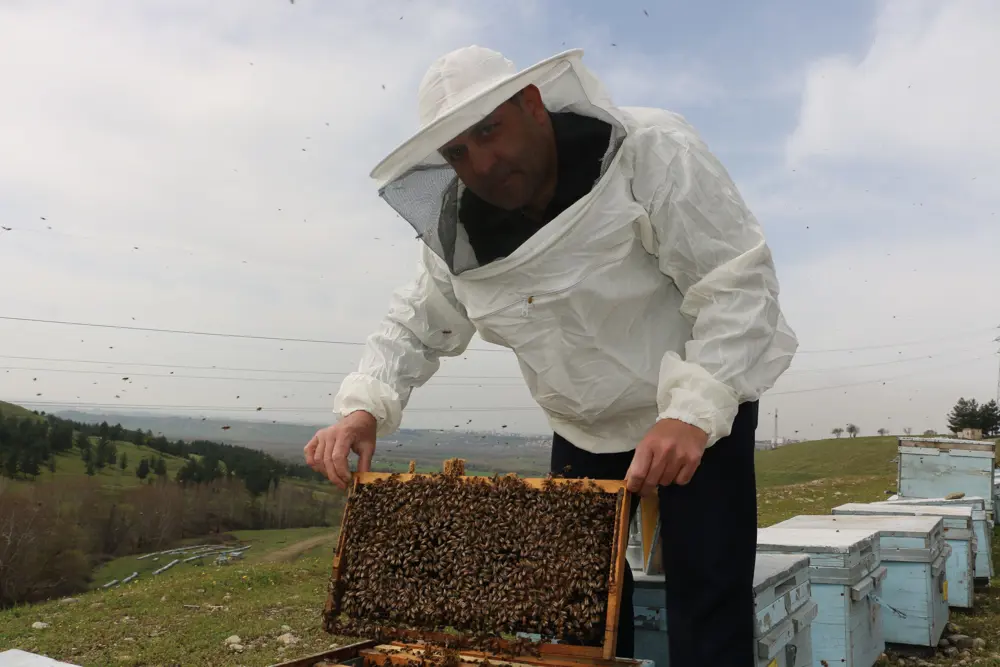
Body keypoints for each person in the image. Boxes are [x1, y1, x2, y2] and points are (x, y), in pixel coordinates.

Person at [305, 45, 798, 666]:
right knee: (575, 616)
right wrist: (365, 407)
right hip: (583, 427)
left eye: (489, 131)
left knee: (706, 602)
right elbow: (418, 318)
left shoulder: (652, 152)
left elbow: (736, 282)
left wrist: (692, 413)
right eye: (458, 151)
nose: (481, 162)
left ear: (532, 105)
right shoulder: (462, 231)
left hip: (697, 413)